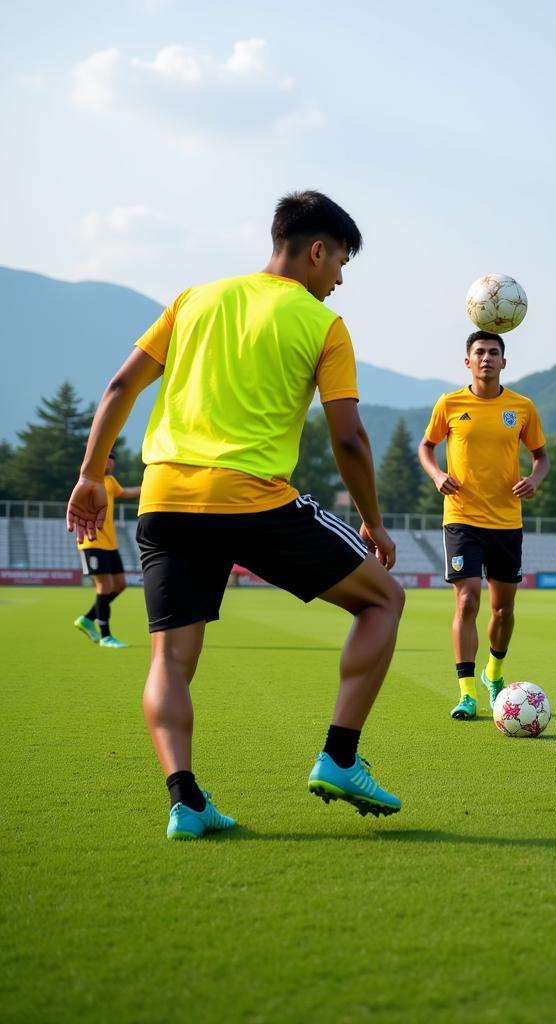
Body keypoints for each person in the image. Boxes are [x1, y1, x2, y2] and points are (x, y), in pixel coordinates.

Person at [66, 190, 405, 839]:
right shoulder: (321, 324)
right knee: (383, 600)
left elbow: (120, 387)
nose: (339, 279)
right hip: (251, 499)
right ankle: (339, 757)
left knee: (170, 659)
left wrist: (89, 475)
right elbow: (350, 438)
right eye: (340, 263)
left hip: (166, 498)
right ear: (316, 251)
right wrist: (374, 520)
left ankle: (184, 801)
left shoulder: (194, 299)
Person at [418, 330, 549, 721]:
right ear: (467, 361)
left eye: (494, 352)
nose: (487, 358)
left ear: (504, 362)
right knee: (467, 599)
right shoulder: (450, 403)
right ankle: (467, 693)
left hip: (507, 521)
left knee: (503, 610)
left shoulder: (521, 407)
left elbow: (541, 457)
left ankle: (495, 672)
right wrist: (437, 474)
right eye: (480, 352)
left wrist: (534, 480)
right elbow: (426, 446)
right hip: (461, 518)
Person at [73, 451, 141, 648]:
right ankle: (105, 636)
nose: (110, 460)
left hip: (110, 544)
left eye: (112, 457)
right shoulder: (87, 482)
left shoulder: (110, 481)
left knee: (120, 584)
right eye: (107, 456)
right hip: (92, 542)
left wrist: (150, 486)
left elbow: (126, 493)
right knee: (104, 587)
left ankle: (87, 619)